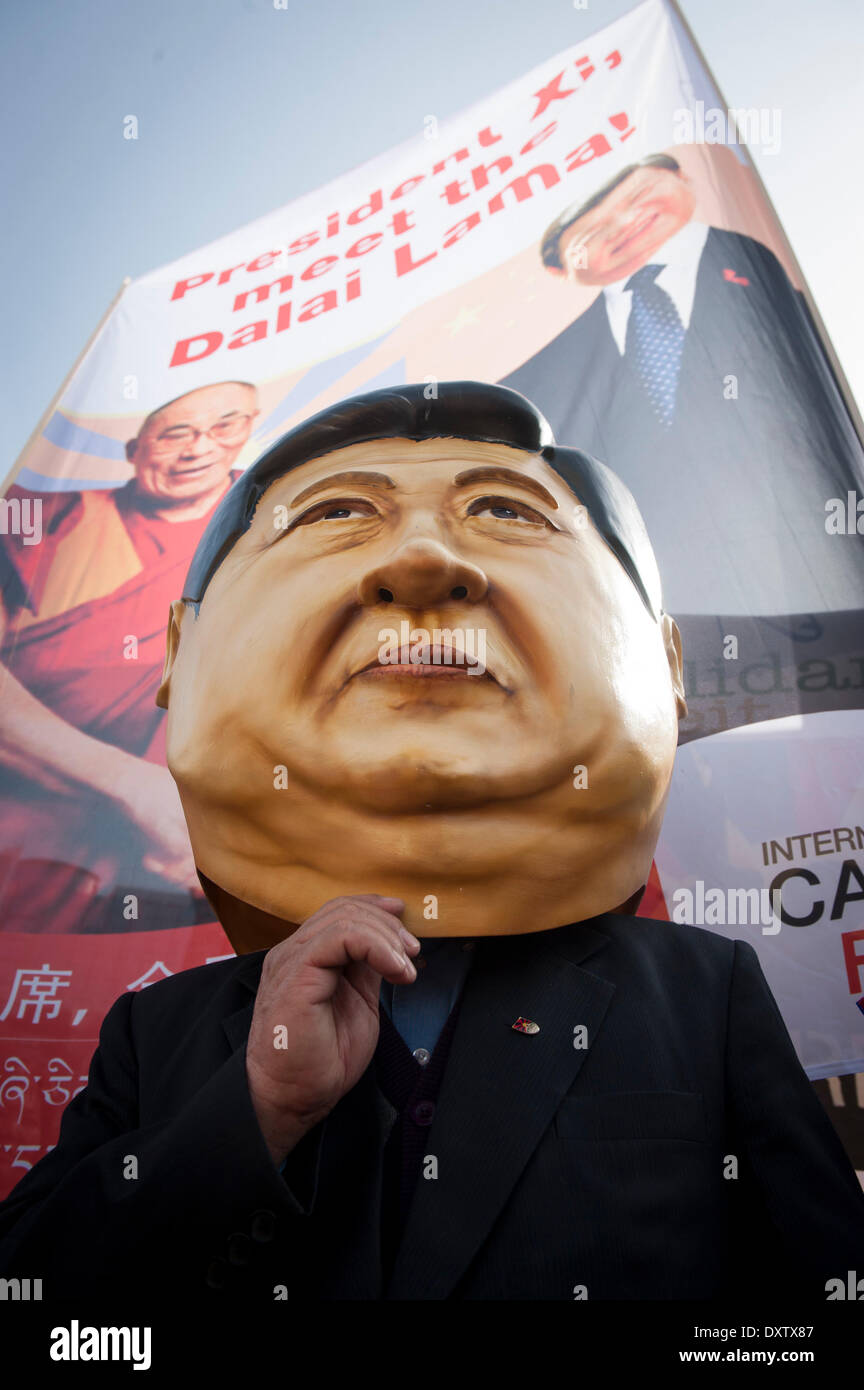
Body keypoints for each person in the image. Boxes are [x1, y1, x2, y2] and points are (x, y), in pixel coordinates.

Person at [1, 382, 862, 1302]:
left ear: (668, 661)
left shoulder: (700, 998)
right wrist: (255, 1113)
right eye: (336, 514)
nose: (420, 560)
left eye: (504, 509)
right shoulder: (162, 1035)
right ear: (179, 655)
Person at [500, 153, 864, 623]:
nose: (625, 224)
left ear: (683, 177)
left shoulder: (812, 277)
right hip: (652, 632)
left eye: (636, 196)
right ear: (560, 270)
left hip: (827, 591)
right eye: (590, 234)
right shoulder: (534, 385)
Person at [0, 380, 259, 932]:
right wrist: (132, 787)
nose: (199, 449)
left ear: (251, 427)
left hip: (211, 854)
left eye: (224, 426)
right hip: (32, 836)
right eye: (174, 434)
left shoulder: (276, 525)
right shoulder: (44, 518)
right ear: (132, 450)